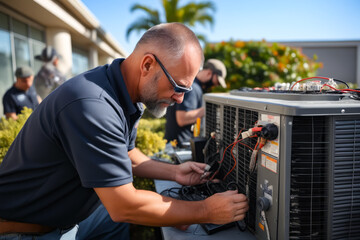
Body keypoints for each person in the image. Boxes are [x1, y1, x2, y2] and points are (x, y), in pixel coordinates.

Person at [0, 23, 248, 240]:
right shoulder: (92, 105)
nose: (181, 99)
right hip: (29, 231)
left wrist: (175, 173)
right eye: (177, 87)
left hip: (75, 217)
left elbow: (126, 154)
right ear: (148, 64)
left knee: (110, 222)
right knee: (118, 215)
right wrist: (205, 210)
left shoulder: (126, 93)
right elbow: (124, 205)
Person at [165, 59, 227, 147]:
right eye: (216, 81)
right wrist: (209, 108)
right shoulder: (193, 88)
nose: (216, 85)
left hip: (177, 144)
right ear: (209, 73)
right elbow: (182, 119)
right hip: (179, 146)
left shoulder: (194, 86)